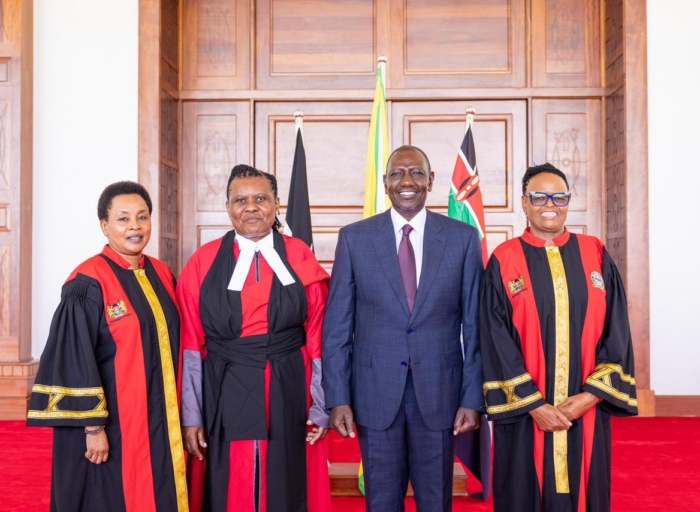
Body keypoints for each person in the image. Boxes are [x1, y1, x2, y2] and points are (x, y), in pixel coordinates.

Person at [322, 145, 484, 511]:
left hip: (441, 395)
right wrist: (338, 398)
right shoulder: (354, 238)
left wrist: (471, 398)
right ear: (385, 182)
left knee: (436, 501)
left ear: (430, 180)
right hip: (374, 394)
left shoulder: (462, 238)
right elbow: (337, 328)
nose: (406, 181)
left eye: (416, 173)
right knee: (381, 501)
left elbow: (475, 327)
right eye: (397, 174)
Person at [480, 163, 638, 512]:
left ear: (568, 201)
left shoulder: (595, 253)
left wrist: (591, 396)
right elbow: (495, 338)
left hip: (586, 411)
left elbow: (617, 330)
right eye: (539, 197)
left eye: (559, 197)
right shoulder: (505, 259)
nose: (549, 205)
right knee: (523, 491)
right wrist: (535, 405)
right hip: (526, 415)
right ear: (524, 202)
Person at [178, 164, 332, 512]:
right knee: (232, 477)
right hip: (223, 385)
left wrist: (321, 405)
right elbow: (190, 343)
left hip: (289, 382)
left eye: (261, 199)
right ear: (228, 207)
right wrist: (192, 415)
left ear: (276, 204)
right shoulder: (202, 262)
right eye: (240, 200)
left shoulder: (299, 255)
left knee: (286, 476)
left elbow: (319, 335)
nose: (251, 208)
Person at [27, 181, 188, 512]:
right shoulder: (87, 282)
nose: (135, 227)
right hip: (112, 423)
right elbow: (73, 358)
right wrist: (93, 427)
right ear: (104, 225)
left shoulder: (161, 274)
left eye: (142, 217)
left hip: (157, 417)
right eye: (123, 218)